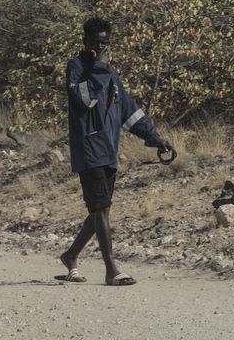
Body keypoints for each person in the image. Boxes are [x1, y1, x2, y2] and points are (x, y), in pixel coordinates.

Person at [58, 17, 174, 286]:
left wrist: (155, 138)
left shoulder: (109, 72)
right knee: (100, 209)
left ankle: (71, 255)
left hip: (109, 150)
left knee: (101, 209)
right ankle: (111, 270)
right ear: (84, 41)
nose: (99, 47)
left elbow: (128, 110)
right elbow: (85, 100)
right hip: (88, 149)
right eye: (95, 42)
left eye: (104, 43)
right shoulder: (76, 68)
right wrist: (99, 66)